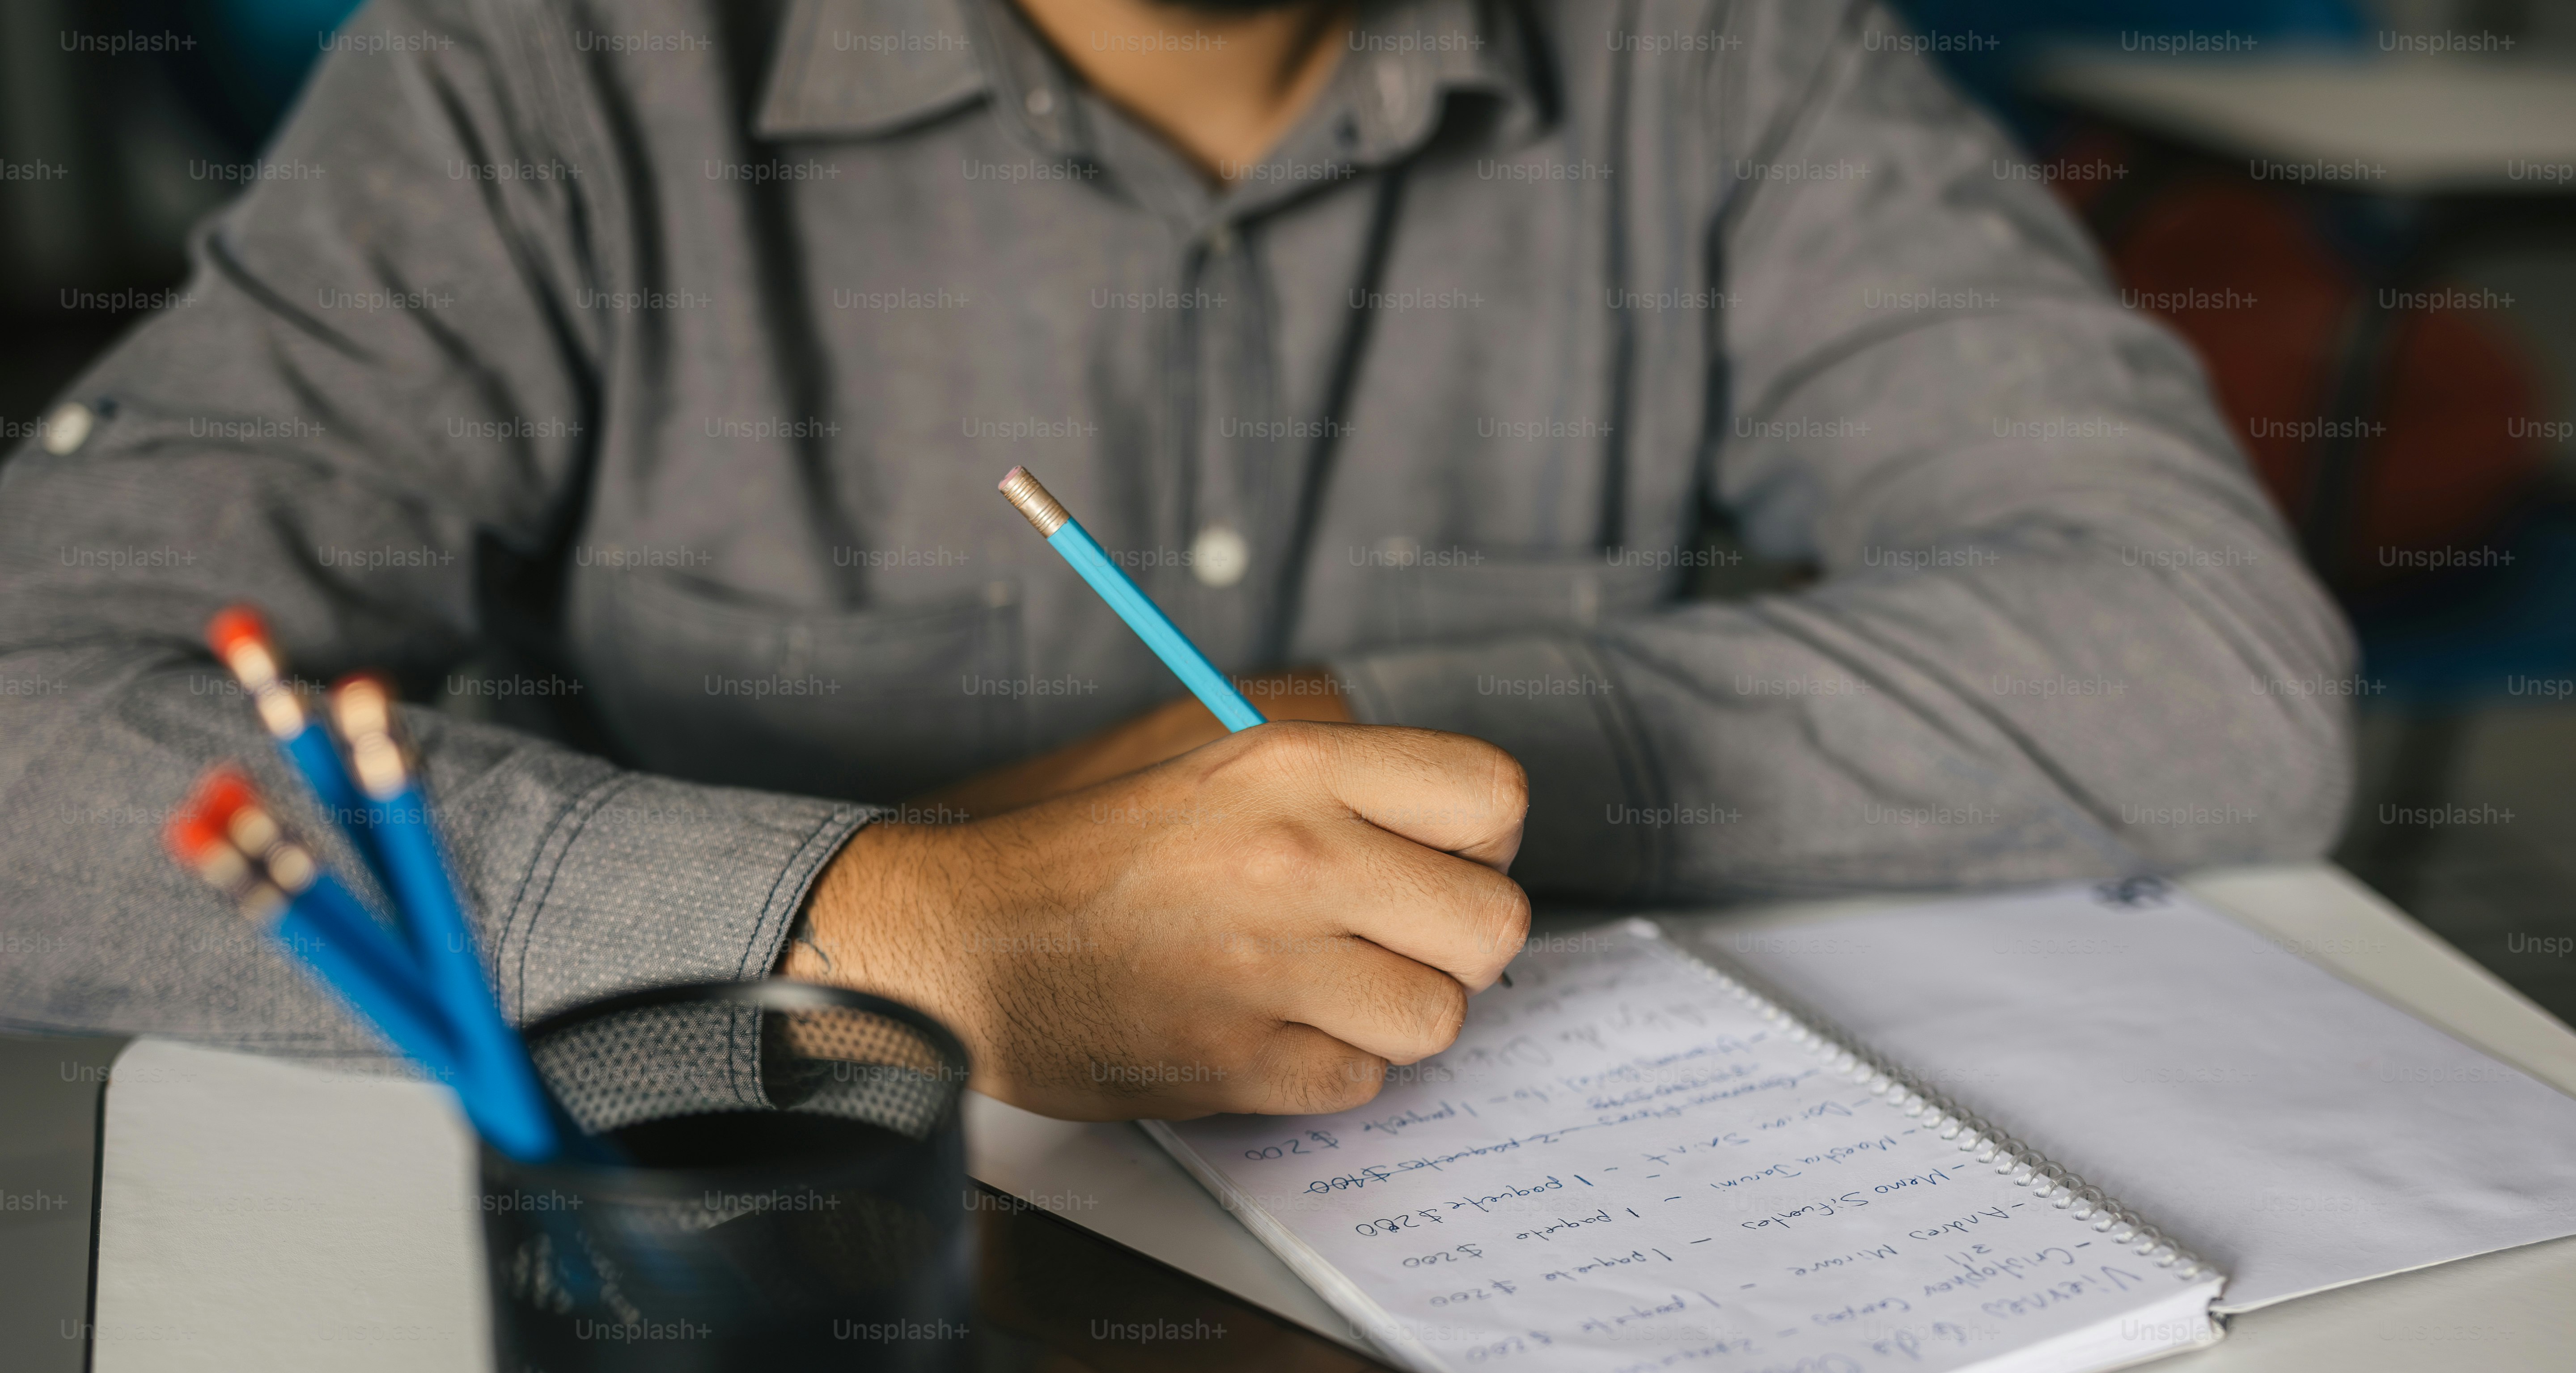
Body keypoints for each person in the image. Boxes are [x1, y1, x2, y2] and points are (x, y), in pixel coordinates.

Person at [0, 0, 2354, 1120]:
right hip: (796, 1329)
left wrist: (1373, 756)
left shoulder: (1726, 56)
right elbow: (33, 730)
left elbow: (2219, 672)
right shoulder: (551, 73)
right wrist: (913, 922)